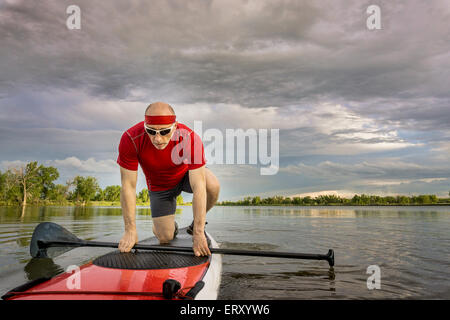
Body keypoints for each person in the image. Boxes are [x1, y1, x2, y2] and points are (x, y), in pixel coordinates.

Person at [116, 102, 220, 256]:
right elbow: (128, 186)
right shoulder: (130, 138)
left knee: (212, 184)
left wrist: (198, 233)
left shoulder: (190, 138)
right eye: (151, 131)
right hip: (160, 187)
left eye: (164, 132)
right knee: (165, 237)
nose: (157, 139)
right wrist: (130, 230)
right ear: (145, 126)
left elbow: (199, 186)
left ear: (175, 126)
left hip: (186, 177)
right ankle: (169, 226)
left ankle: (194, 226)